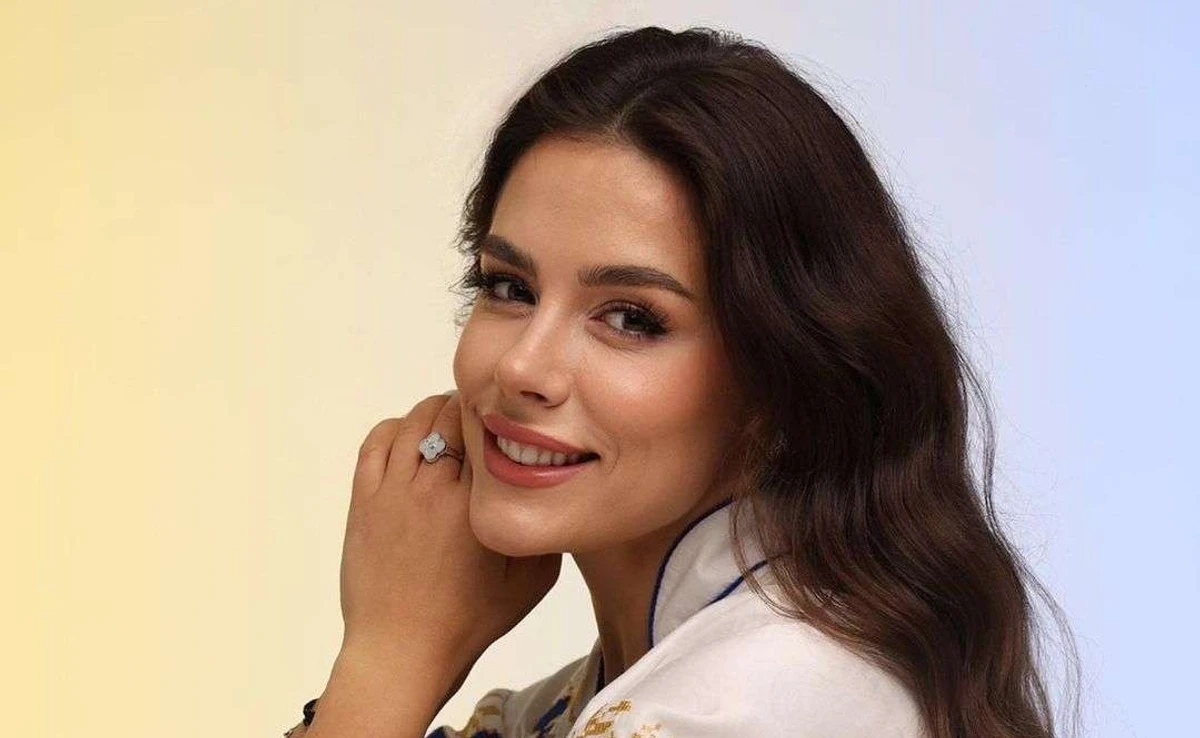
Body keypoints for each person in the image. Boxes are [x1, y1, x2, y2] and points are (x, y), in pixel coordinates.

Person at [285, 26, 1076, 738]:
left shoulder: (749, 709)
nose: (521, 366)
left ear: (783, 376)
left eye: (631, 318)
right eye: (509, 287)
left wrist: (389, 660)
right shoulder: (605, 698)